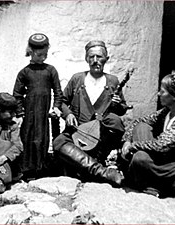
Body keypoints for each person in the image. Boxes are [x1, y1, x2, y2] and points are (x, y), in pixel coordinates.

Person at [53, 40, 129, 187]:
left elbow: (121, 110)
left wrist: (118, 104)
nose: (95, 61)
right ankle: (103, 172)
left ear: (106, 59)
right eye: (91, 57)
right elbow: (61, 102)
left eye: (99, 57)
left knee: (115, 121)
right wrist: (68, 114)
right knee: (59, 142)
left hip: (100, 138)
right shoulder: (77, 79)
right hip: (76, 132)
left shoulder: (112, 81)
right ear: (86, 59)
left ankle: (93, 165)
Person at [120, 71, 175, 198]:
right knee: (141, 127)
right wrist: (127, 140)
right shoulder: (167, 111)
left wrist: (132, 146)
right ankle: (149, 180)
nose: (159, 94)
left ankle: (152, 185)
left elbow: (160, 145)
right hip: (168, 158)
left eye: (163, 91)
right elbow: (139, 121)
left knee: (139, 159)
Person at [13, 33, 63, 181]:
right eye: (40, 55)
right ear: (31, 52)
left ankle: (41, 168)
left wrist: (56, 107)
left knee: (42, 139)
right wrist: (20, 113)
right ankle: (28, 170)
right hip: (29, 112)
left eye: (45, 54)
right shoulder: (24, 72)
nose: (43, 58)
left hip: (44, 112)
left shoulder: (50, 70)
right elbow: (17, 94)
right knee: (28, 138)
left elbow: (58, 92)